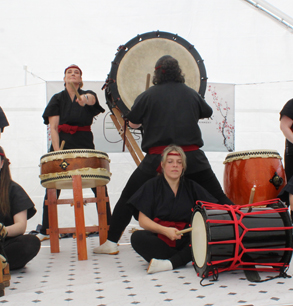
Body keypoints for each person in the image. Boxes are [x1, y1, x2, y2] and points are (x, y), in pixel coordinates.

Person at [94, 55, 232, 255]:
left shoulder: (148, 95)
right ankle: (240, 232)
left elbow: (133, 122)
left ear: (157, 73)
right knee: (219, 197)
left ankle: (112, 242)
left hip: (159, 159)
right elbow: (206, 112)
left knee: (128, 197)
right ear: (179, 73)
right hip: (192, 158)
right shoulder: (191, 94)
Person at [36, 64, 110, 241]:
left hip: (84, 144)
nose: (73, 74)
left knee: (98, 183)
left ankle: (109, 225)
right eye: (69, 72)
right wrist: (56, 153)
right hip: (62, 144)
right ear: (64, 78)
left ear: (80, 79)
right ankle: (47, 228)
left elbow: (92, 99)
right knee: (52, 185)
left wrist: (85, 98)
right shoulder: (57, 98)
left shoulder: (87, 94)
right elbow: (53, 127)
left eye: (76, 73)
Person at [129, 146, 217, 274]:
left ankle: (169, 263)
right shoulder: (151, 185)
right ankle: (182, 259)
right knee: (137, 237)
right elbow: (143, 221)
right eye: (170, 162)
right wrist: (165, 231)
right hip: (161, 239)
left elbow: (212, 208)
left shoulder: (191, 186)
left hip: (187, 239)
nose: (175, 165)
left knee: (208, 236)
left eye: (179, 162)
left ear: (183, 167)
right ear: (163, 165)